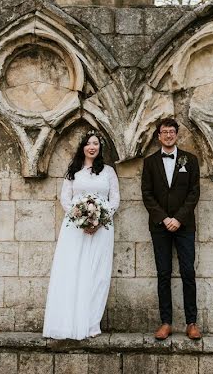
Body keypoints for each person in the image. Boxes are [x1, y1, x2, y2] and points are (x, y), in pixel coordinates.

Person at [42, 130, 120, 340]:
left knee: (97, 273)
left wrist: (99, 219)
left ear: (100, 148)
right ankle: (68, 322)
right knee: (73, 271)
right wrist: (82, 218)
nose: (92, 147)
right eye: (88, 143)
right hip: (75, 229)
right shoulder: (73, 171)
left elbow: (115, 200)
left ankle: (91, 323)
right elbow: (65, 199)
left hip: (102, 228)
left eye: (95, 143)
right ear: (83, 147)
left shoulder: (108, 172)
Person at [140, 117, 202, 340]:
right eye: (164, 132)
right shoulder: (150, 162)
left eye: (172, 132)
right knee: (163, 273)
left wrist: (178, 219)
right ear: (158, 136)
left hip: (185, 226)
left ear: (177, 135)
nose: (168, 135)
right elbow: (147, 194)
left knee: (188, 272)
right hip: (159, 226)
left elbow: (194, 193)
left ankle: (191, 323)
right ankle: (166, 322)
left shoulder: (190, 160)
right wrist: (165, 219)